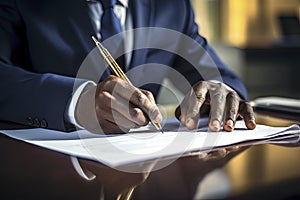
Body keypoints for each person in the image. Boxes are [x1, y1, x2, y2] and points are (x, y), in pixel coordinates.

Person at [0, 0, 256, 134]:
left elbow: (221, 79)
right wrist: (77, 101)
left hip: (143, 173)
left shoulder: (173, 6)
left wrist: (219, 93)